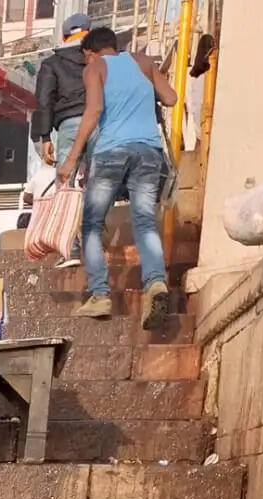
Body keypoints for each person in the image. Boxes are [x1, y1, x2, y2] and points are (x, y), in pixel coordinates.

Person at [58, 26, 176, 328]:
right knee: (145, 221)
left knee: (92, 224)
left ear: (89, 52)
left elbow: (94, 110)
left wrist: (71, 159)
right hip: (149, 152)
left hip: (111, 152)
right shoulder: (143, 62)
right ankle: (156, 284)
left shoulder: (95, 68)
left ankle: (100, 294)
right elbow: (171, 98)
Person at [34, 12, 91, 170]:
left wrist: (45, 137)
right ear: (89, 34)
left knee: (66, 181)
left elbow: (44, 100)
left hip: (68, 124)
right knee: (99, 183)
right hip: (97, 123)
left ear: (64, 38)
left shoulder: (51, 64)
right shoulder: (98, 59)